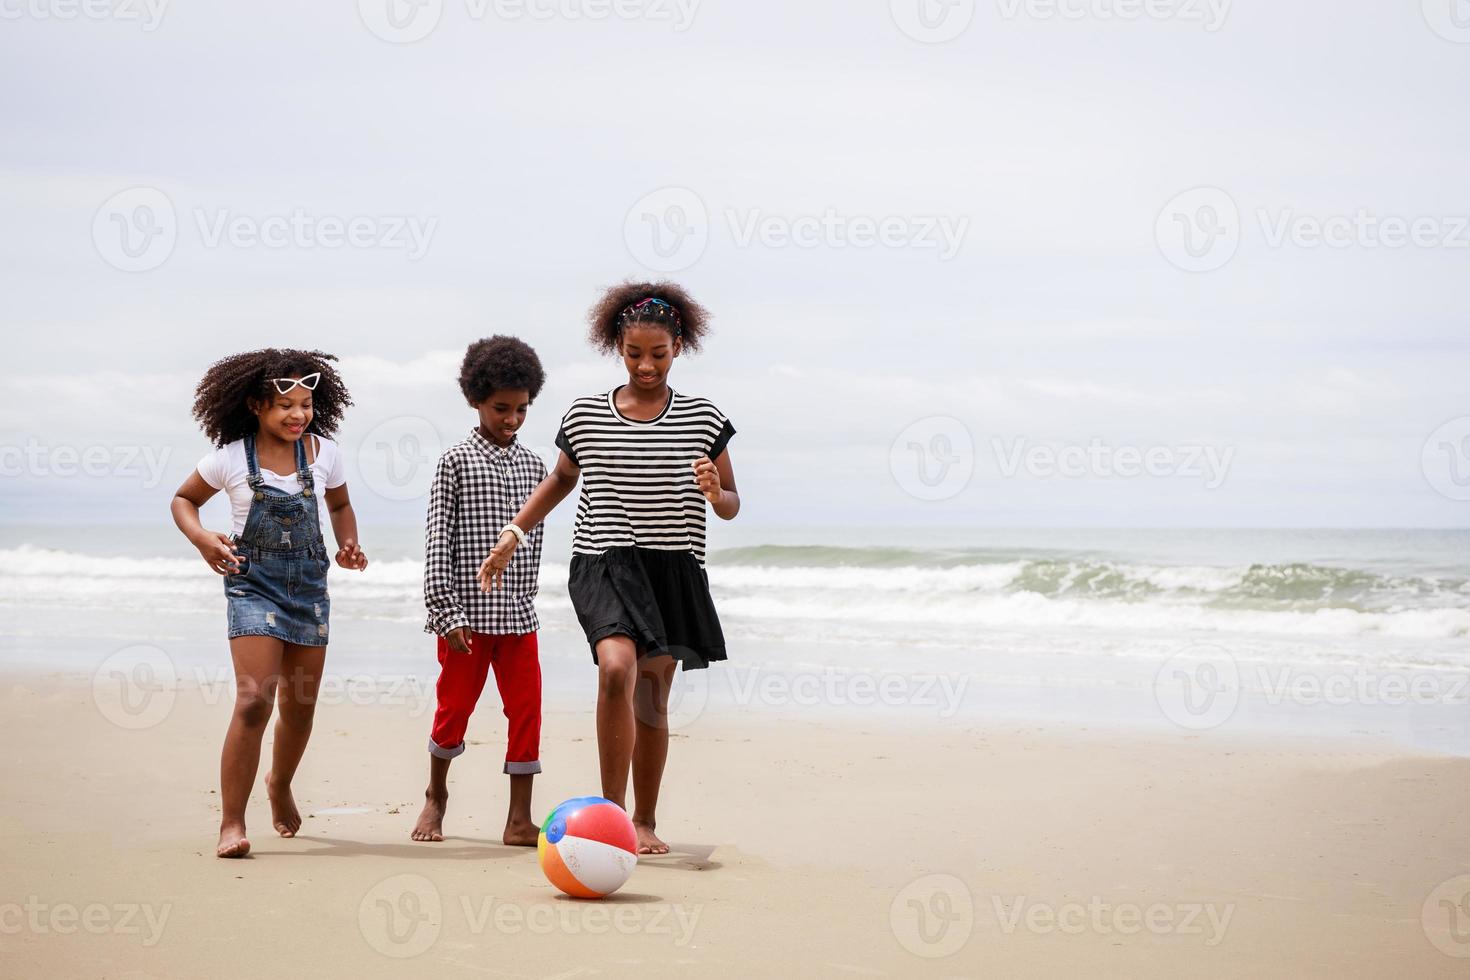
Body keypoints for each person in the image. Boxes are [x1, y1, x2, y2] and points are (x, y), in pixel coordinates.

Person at [480, 282, 739, 855]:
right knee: (616, 668)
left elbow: (730, 505)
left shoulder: (705, 418)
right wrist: (513, 534)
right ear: (617, 349)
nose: (645, 365)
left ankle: (643, 820)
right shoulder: (586, 414)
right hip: (603, 562)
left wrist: (716, 491)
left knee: (652, 697)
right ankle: (612, 816)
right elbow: (561, 481)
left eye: (658, 354)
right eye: (634, 354)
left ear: (679, 348)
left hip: (673, 568)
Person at [170, 349, 368, 859]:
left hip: (308, 591)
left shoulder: (325, 454)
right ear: (256, 405)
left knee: (299, 708)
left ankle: (279, 784)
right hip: (251, 585)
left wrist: (348, 543)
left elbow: (340, 505)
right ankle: (231, 822)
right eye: (285, 406)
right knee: (255, 700)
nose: (298, 415)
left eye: (305, 404)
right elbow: (183, 500)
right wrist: (202, 540)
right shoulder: (230, 458)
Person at [413, 336, 549, 846]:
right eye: (501, 409)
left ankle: (518, 818)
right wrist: (445, 613)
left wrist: (527, 599)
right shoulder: (454, 462)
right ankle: (436, 797)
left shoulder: (538, 468)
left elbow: (533, 549)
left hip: (518, 619)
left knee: (528, 711)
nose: (511, 419)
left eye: (521, 409)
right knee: (453, 711)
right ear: (475, 399)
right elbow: (436, 544)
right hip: (464, 621)